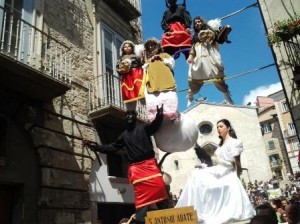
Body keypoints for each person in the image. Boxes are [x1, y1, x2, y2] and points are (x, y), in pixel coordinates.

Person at [84, 105, 169, 224]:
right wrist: (97, 147)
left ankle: (169, 213)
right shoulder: (124, 136)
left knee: (159, 186)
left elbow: (154, 126)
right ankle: (140, 220)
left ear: (135, 117)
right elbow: (111, 147)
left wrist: (159, 116)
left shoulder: (143, 128)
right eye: (126, 115)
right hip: (137, 169)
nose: (128, 117)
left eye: (131, 114)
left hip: (150, 165)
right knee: (142, 195)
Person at [175, 119, 255, 223]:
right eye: (217, 127)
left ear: (228, 128)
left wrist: (235, 177)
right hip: (218, 170)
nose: (218, 129)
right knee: (195, 175)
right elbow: (214, 162)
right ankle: (192, 211)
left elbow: (235, 163)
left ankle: (198, 212)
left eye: (221, 126)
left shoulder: (235, 142)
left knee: (197, 176)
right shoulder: (221, 145)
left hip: (226, 172)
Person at [186, 16, 234, 106]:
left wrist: (224, 32)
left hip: (210, 57)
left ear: (202, 22)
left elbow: (219, 39)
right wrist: (190, 57)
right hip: (199, 59)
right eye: (195, 23)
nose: (197, 24)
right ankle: (190, 95)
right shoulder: (194, 37)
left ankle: (227, 96)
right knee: (194, 77)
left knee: (217, 76)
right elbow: (193, 49)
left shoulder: (211, 31)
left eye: (198, 22)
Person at [142, 38, 178, 122]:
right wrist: (147, 63)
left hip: (166, 80)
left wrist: (162, 59)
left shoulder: (165, 55)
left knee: (168, 96)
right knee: (153, 99)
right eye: (149, 46)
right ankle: (154, 117)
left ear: (157, 46)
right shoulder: (148, 60)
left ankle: (171, 114)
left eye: (153, 45)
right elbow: (144, 70)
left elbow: (172, 63)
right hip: (153, 83)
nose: (151, 47)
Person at [116, 40, 144, 110]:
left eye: (128, 46)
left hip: (135, 74)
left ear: (132, 48)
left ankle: (141, 97)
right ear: (123, 49)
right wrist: (120, 70)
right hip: (126, 76)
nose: (127, 48)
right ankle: (131, 108)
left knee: (138, 87)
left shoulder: (135, 57)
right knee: (128, 90)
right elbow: (118, 67)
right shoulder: (121, 59)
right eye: (125, 47)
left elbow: (140, 65)